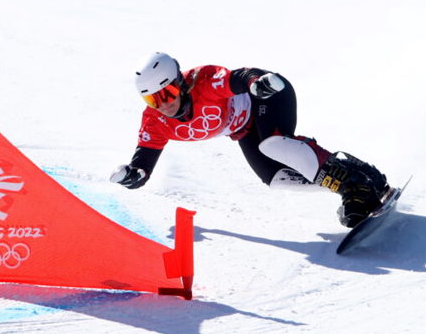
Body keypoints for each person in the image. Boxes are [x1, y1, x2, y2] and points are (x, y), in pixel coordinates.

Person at [110, 52, 390, 227]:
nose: (164, 105)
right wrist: (133, 176)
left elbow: (240, 77)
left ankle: (352, 189)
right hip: (244, 128)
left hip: (267, 95)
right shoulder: (155, 121)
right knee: (278, 179)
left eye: (167, 94)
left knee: (274, 144)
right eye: (152, 99)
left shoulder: (203, 80)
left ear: (180, 83)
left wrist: (257, 82)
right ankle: (363, 177)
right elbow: (143, 166)